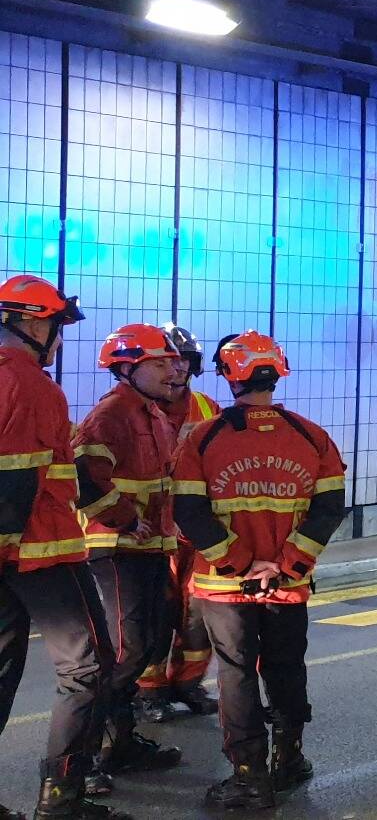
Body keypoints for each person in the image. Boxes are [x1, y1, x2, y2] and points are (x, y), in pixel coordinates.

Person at [171, 332, 347, 810]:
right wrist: (286, 564)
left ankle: (249, 778)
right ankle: (289, 760)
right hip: (288, 586)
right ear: (278, 373)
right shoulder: (312, 437)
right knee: (286, 667)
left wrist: (242, 564)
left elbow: (188, 512)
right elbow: (329, 510)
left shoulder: (203, 438)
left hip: (224, 586)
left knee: (237, 674)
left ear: (230, 376)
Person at [0, 275, 130, 820]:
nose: (59, 339)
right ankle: (63, 796)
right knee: (87, 667)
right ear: (32, 325)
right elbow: (15, 477)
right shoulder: (29, 385)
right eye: (57, 326)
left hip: (11, 557)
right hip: (40, 552)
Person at [73, 326, 187, 776]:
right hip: (117, 548)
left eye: (171, 362)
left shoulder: (152, 414)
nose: (172, 371)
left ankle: (117, 744)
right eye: (159, 363)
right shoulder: (112, 414)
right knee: (126, 650)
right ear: (126, 367)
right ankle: (84, 758)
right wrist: (125, 519)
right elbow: (84, 475)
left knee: (147, 645)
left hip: (151, 547)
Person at [133, 323, 219, 724]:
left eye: (184, 359)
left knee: (197, 612)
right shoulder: (134, 410)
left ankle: (188, 683)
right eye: (168, 360)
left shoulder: (207, 408)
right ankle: (149, 691)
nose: (178, 367)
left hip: (196, 529)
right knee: (157, 613)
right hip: (149, 531)